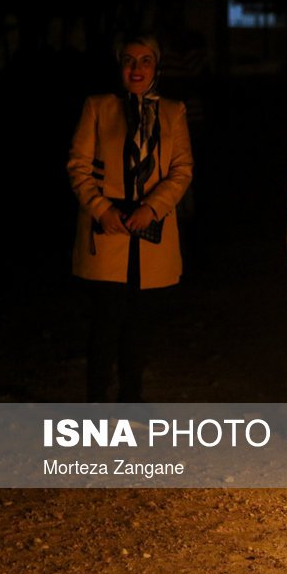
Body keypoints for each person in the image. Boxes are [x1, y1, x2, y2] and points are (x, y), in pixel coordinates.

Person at [68, 33, 194, 402]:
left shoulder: (174, 111)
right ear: (119, 66)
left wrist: (151, 208)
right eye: (129, 60)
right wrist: (101, 208)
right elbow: (79, 166)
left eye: (145, 61)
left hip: (150, 231)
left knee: (138, 331)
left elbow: (182, 169)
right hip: (108, 231)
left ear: (156, 66)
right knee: (104, 328)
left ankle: (131, 406)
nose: (136, 68)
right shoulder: (98, 107)